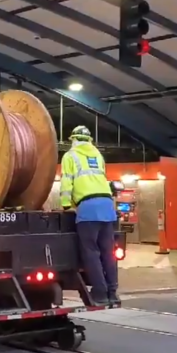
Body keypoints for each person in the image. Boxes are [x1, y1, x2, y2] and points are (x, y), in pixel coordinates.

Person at [60, 125, 119, 306]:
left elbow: (67, 181)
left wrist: (65, 205)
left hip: (88, 208)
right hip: (107, 206)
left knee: (91, 252)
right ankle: (113, 292)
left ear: (74, 139)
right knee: (108, 253)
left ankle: (100, 293)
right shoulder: (98, 156)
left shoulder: (70, 156)